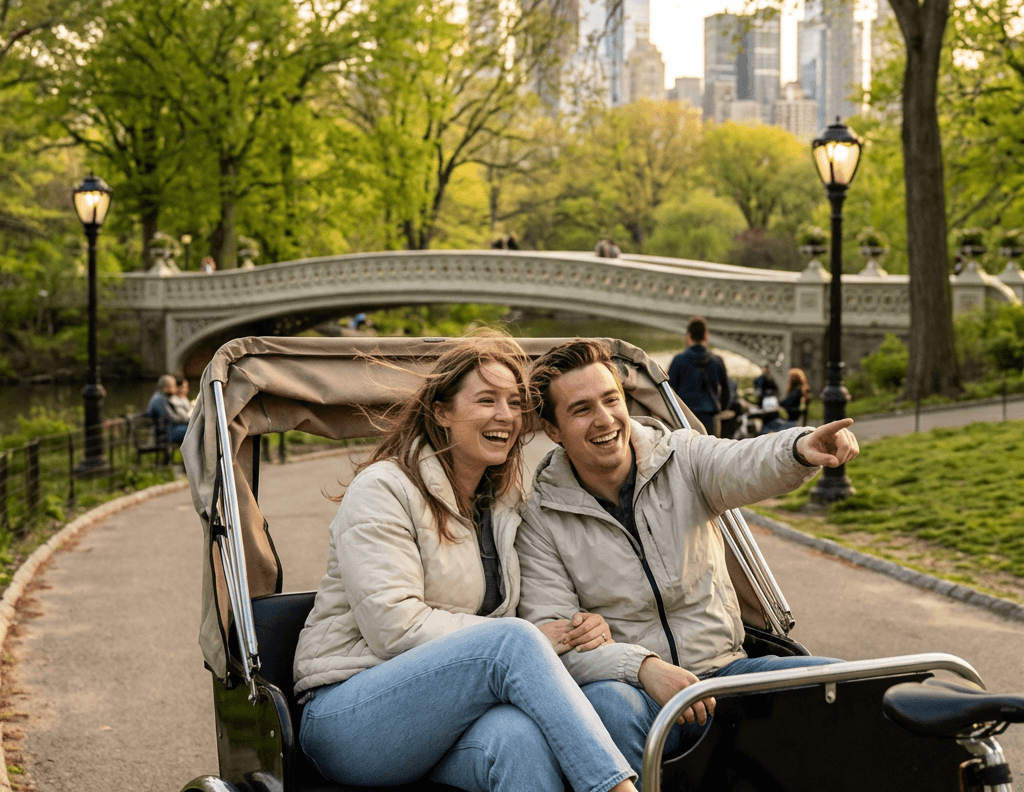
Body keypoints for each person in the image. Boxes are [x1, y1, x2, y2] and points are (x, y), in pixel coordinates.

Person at [292, 335, 638, 792]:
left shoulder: (506, 505)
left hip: (455, 712)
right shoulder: (383, 490)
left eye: (515, 403)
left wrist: (577, 627)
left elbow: (523, 620)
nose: (506, 416)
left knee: (519, 741)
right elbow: (393, 627)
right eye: (487, 400)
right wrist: (528, 638)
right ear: (441, 412)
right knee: (512, 641)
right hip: (349, 708)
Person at [516, 339, 858, 783]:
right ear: (553, 429)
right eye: (581, 409)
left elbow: (743, 461)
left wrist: (799, 447)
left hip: (726, 671)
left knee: (846, 687)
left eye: (611, 400)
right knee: (607, 709)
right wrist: (643, 667)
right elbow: (554, 645)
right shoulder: (540, 516)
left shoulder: (681, 456)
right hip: (636, 690)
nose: (604, 420)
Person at [667, 316, 729, 435]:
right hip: (710, 416)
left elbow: (669, 390)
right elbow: (726, 390)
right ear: (706, 335)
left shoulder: (678, 360)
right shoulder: (717, 361)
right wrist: (721, 408)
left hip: (685, 416)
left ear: (688, 336)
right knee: (710, 451)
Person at [146, 374, 189, 445]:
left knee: (194, 428)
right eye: (174, 385)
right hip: (165, 434)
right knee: (196, 429)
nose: (176, 388)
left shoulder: (161, 397)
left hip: (168, 431)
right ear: (166, 387)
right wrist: (189, 421)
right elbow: (173, 419)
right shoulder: (159, 400)